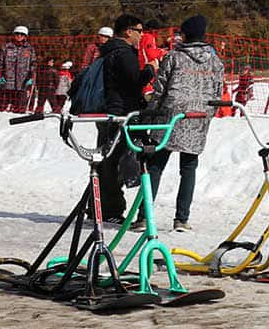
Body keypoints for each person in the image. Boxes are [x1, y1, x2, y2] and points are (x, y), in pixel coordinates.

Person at [142, 15, 224, 233]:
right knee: (188, 167)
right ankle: (181, 219)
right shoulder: (215, 61)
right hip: (197, 116)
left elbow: (160, 87)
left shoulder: (174, 56)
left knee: (156, 165)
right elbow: (218, 91)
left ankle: (143, 216)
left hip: (171, 115)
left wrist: (151, 113)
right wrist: (208, 114)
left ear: (186, 34)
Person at [88, 15, 148, 222]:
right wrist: (151, 70)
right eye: (139, 30)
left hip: (108, 111)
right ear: (128, 31)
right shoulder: (124, 54)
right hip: (120, 112)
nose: (142, 35)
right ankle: (110, 209)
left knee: (106, 159)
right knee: (114, 161)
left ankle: (96, 206)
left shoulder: (108, 51)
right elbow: (134, 82)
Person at [0, 25, 35, 113]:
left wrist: (31, 75)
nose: (19, 36)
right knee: (4, 105)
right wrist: (0, 73)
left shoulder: (29, 49)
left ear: (25, 36)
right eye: (17, 34)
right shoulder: (6, 47)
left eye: (22, 34)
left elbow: (33, 62)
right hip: (8, 80)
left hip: (22, 81)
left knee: (20, 106)